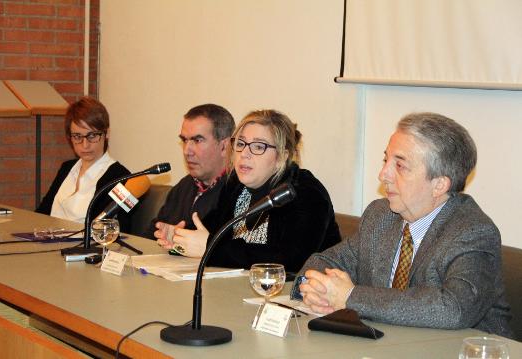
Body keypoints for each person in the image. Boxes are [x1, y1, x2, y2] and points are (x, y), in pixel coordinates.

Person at [294, 112, 512, 337]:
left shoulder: (472, 231)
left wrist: (350, 297)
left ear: (439, 185)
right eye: (385, 160)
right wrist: (317, 290)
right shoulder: (380, 215)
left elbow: (453, 308)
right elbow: (326, 261)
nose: (383, 174)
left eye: (400, 166)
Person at [160, 109, 341, 273]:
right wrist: (179, 237)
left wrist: (209, 248)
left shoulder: (306, 193)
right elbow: (211, 229)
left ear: (282, 157)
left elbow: (291, 261)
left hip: (302, 300)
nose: (244, 154)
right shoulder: (236, 186)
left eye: (258, 146)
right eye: (240, 144)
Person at [36, 97, 132, 231]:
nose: (85, 145)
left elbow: (118, 229)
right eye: (77, 136)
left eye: (92, 135)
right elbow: (42, 213)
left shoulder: (122, 177)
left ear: (107, 133)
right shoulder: (67, 168)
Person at [147, 104, 235, 241]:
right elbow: (152, 232)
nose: (187, 151)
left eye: (197, 140)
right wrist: (162, 234)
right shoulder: (184, 186)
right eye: (184, 140)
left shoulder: (238, 191)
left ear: (224, 146)